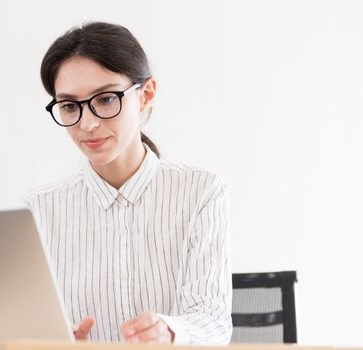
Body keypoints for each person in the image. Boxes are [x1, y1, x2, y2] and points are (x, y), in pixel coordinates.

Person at [24, 22, 233, 345]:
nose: (88, 123)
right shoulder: (38, 210)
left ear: (145, 95)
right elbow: (25, 327)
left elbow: (213, 323)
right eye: (69, 106)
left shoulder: (200, 192)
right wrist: (55, 340)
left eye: (106, 99)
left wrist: (169, 330)